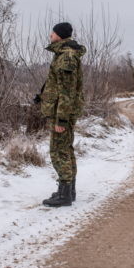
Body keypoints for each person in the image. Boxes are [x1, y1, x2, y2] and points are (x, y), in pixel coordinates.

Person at [40, 22, 86, 207]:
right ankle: (68, 190)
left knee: (59, 151)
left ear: (59, 35)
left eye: (53, 32)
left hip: (63, 114)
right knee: (66, 149)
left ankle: (64, 194)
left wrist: (61, 119)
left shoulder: (66, 57)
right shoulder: (63, 54)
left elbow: (66, 92)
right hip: (63, 111)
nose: (50, 34)